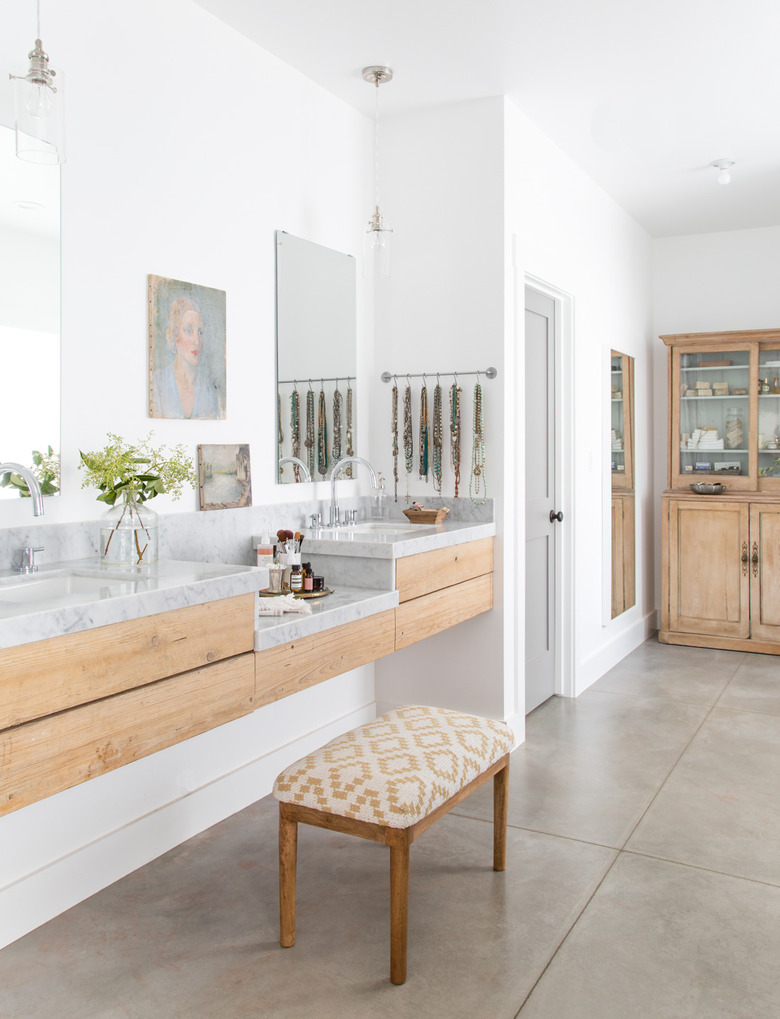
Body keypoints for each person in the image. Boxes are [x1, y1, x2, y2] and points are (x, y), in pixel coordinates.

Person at [151, 297, 224, 419]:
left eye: (200, 332)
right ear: (175, 336)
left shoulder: (210, 389)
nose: (197, 341)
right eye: (188, 331)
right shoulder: (158, 383)